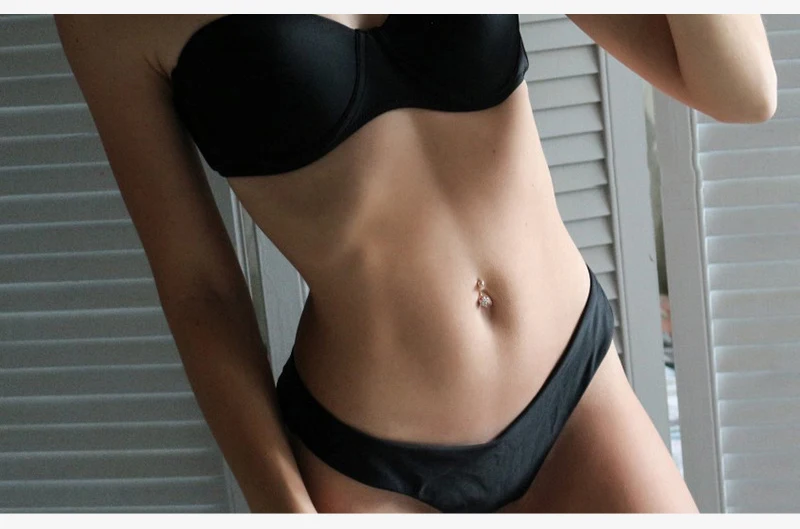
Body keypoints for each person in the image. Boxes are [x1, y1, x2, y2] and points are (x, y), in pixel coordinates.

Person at [54, 14, 776, 513]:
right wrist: (283, 509)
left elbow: (743, 91)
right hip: (371, 471)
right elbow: (200, 289)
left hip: (577, 400)